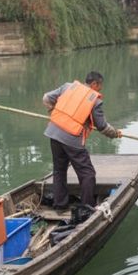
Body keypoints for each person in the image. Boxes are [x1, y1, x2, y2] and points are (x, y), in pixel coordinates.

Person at [42, 71, 121, 209]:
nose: (100, 89)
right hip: (72, 138)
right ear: (94, 84)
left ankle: (60, 205)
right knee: (87, 174)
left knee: (59, 170)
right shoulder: (95, 100)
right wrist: (115, 133)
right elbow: (102, 126)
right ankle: (87, 208)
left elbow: (46, 98)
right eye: (100, 86)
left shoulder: (68, 87)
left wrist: (54, 112)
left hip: (53, 132)